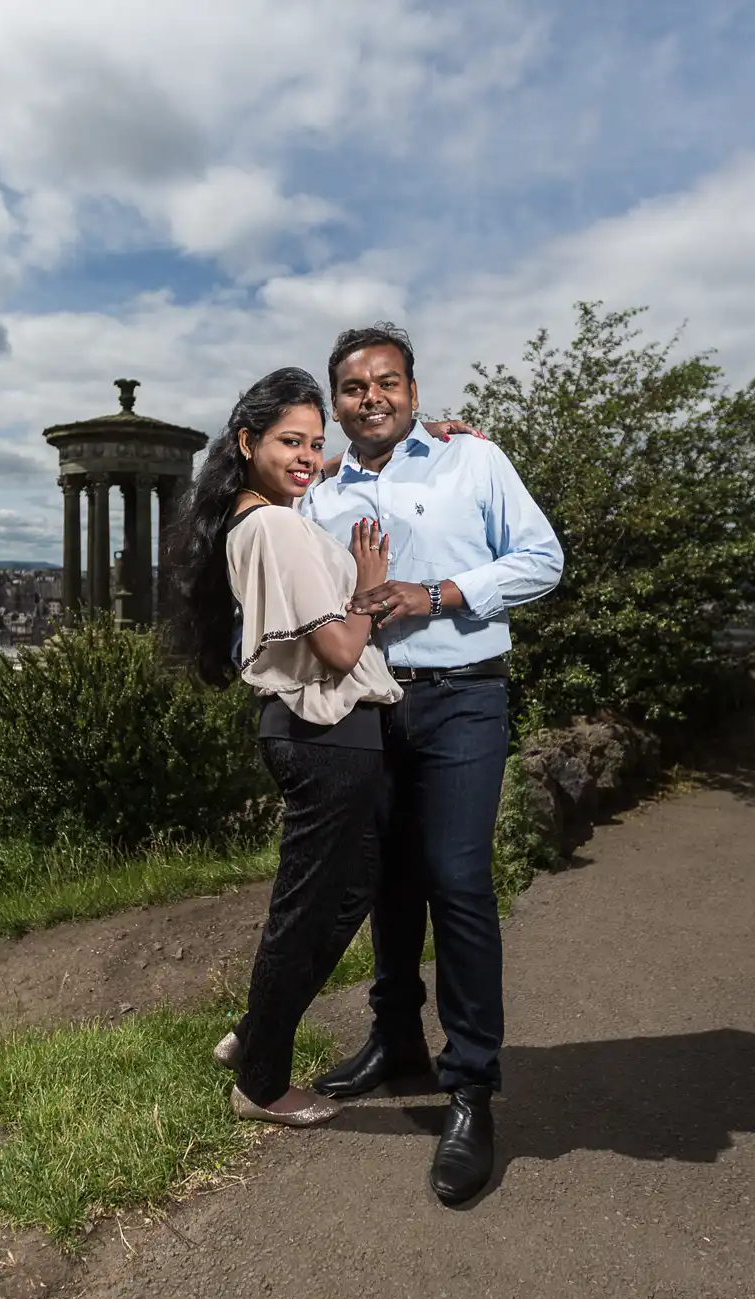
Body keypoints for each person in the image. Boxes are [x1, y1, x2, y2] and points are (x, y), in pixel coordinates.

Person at [302, 323, 564, 1205]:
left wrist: (439, 594)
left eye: (386, 381)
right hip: (367, 700)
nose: (370, 396)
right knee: (385, 877)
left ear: (414, 390)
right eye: (352, 386)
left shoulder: (472, 462)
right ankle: (394, 1038)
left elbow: (542, 559)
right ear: (336, 403)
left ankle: (472, 1087)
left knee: (456, 878)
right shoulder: (318, 493)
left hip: (461, 695)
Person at [165, 367, 401, 1129]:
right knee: (303, 910)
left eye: (314, 442)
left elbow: (298, 468)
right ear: (246, 441)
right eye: (289, 441)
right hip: (326, 734)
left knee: (349, 887)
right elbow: (337, 648)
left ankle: (256, 1034)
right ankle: (262, 1083)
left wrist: (375, 448)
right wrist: (368, 586)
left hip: (317, 733)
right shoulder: (275, 526)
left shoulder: (254, 515)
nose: (307, 456)